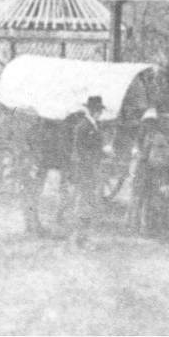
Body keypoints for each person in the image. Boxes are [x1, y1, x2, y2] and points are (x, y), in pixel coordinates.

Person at [130, 108, 169, 236]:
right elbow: (136, 151)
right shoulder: (141, 137)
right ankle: (136, 227)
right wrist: (137, 153)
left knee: (150, 200)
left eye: (152, 122)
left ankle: (147, 227)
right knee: (139, 199)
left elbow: (162, 157)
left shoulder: (158, 137)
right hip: (141, 171)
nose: (149, 125)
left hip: (152, 171)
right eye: (147, 122)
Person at [70, 95, 107, 248]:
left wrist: (102, 153)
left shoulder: (91, 125)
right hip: (86, 170)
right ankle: (80, 240)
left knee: (88, 203)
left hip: (89, 169)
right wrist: (94, 160)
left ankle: (83, 238)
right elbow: (81, 151)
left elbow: (93, 149)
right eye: (98, 110)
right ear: (92, 111)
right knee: (84, 204)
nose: (100, 113)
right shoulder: (84, 126)